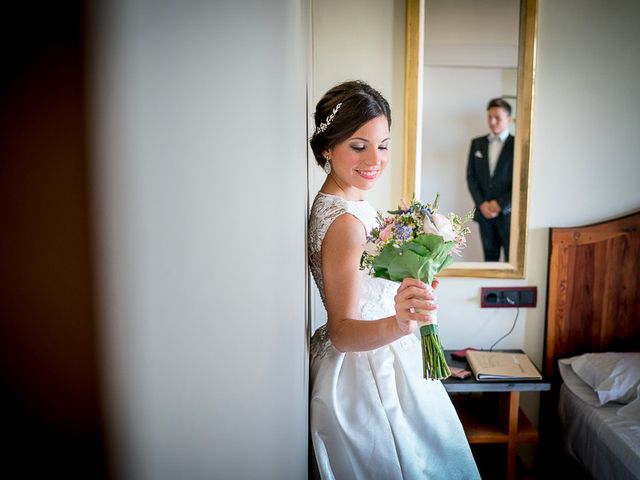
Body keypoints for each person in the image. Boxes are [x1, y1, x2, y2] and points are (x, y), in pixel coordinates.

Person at [308, 80, 480, 479]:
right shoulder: (345, 224)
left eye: (382, 145)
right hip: (365, 375)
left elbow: (371, 283)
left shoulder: (350, 202)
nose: (374, 159)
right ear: (326, 148)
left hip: (385, 353)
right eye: (358, 145)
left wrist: (411, 285)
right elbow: (344, 332)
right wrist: (403, 322)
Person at [466, 98, 514, 262]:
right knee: (489, 259)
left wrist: (501, 204)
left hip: (508, 213)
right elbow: (470, 177)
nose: (492, 122)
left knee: (511, 259)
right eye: (489, 117)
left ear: (509, 119)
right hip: (484, 212)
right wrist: (481, 204)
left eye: (497, 118)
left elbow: (521, 182)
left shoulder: (518, 144)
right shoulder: (477, 144)